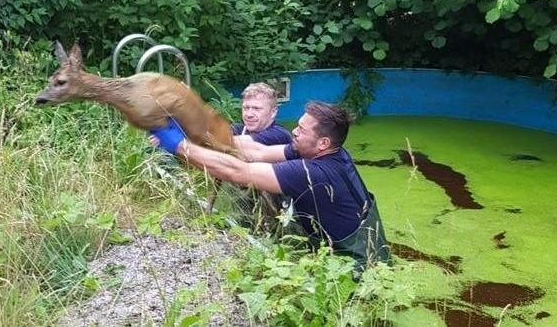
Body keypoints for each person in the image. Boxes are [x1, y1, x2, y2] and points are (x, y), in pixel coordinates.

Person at [149, 101, 390, 271]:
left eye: (301, 130)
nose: (293, 131)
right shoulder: (328, 152)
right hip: (361, 249)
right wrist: (195, 133)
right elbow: (257, 150)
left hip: (358, 267)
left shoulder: (314, 172)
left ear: (323, 142)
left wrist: (180, 146)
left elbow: (238, 172)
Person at [232, 82, 292, 146]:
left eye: (256, 108)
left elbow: (246, 143)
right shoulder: (238, 130)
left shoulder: (279, 135)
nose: (249, 114)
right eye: (246, 108)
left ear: (273, 112)